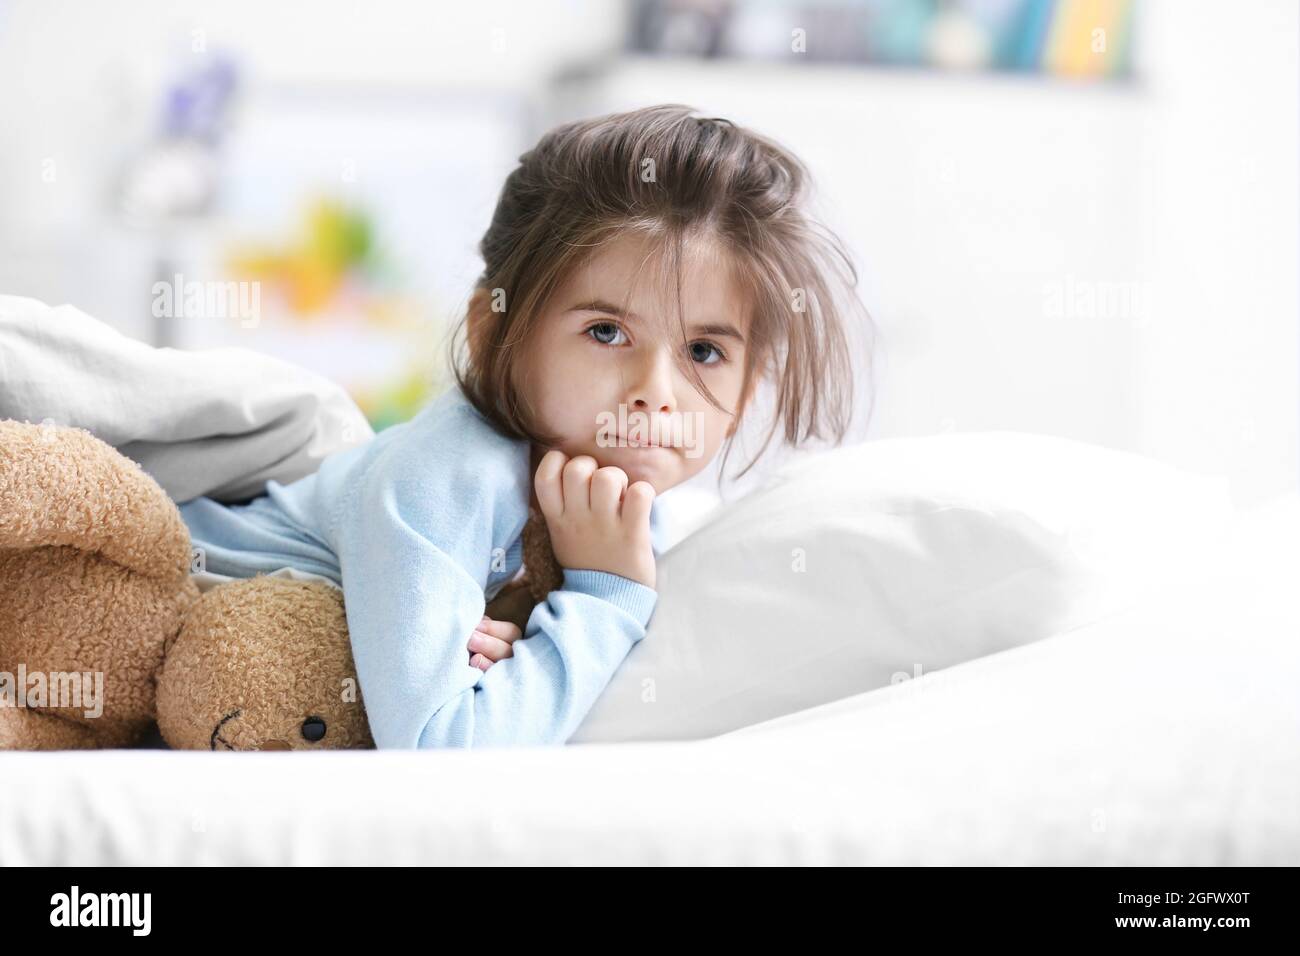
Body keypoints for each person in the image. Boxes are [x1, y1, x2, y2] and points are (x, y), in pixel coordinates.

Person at [179, 103, 864, 749]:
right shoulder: (449, 476)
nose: (656, 394)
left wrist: (528, 647)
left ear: (746, 388)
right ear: (491, 334)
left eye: (705, 352)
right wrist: (604, 595)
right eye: (606, 331)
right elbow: (442, 746)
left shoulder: (642, 520)